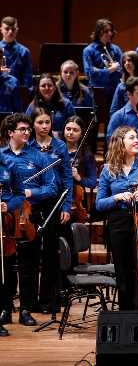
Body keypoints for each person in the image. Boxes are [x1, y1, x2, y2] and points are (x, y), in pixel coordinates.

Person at [95, 126, 138, 310]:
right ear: (120, 143)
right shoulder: (108, 169)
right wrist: (116, 197)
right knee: (123, 270)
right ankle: (126, 313)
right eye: (131, 137)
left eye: (137, 137)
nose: (137, 141)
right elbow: (99, 203)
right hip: (118, 222)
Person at [0, 113, 57, 326]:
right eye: (22, 129)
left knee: (29, 266)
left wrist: (30, 193)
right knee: (5, 265)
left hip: (30, 217)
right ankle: (5, 308)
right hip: (5, 218)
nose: (27, 132)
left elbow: (51, 187)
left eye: (27, 129)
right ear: (10, 132)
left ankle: (26, 309)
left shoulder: (39, 157)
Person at [29, 108, 74, 311]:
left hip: (54, 202)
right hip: (31, 202)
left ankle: (48, 299)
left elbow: (67, 178)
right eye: (40, 122)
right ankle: (30, 302)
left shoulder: (60, 146)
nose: (45, 126)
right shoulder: (28, 146)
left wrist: (66, 205)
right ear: (33, 125)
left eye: (47, 122)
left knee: (50, 252)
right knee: (31, 251)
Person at [0, 145, 25, 336]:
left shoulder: (9, 164)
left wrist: (7, 205)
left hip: (4, 225)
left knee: (5, 271)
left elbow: (20, 195)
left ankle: (4, 311)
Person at [64, 116, 97, 220]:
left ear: (82, 133)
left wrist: (78, 177)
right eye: (68, 129)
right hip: (58, 197)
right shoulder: (56, 151)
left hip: (77, 201)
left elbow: (92, 183)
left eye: (75, 130)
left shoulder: (86, 155)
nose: (70, 133)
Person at [82, 18, 123, 94]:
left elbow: (121, 71)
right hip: (97, 90)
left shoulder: (116, 49)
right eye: (106, 31)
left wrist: (99, 71)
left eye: (111, 31)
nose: (110, 33)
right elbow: (90, 74)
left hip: (115, 89)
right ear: (98, 32)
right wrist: (110, 70)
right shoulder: (88, 50)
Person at [0, 16, 33, 89]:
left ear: (17, 30)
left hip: (17, 93)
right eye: (7, 29)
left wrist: (26, 94)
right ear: (1, 30)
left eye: (13, 29)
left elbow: (28, 78)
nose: (10, 32)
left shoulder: (24, 51)